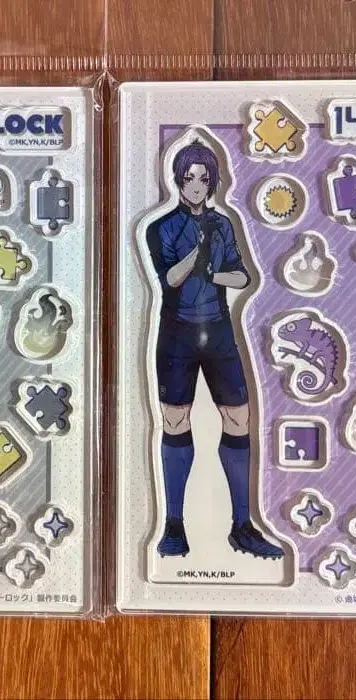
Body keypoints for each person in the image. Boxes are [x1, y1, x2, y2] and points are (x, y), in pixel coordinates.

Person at [146, 140, 282, 559]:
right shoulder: (162, 227)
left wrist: (213, 272)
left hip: (219, 330)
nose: (196, 185)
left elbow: (242, 277)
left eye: (204, 179)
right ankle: (173, 525)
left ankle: (242, 525)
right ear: (178, 180)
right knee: (175, 421)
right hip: (177, 333)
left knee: (238, 418)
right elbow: (169, 279)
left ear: (213, 182)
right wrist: (196, 255)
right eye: (189, 178)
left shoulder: (223, 224)